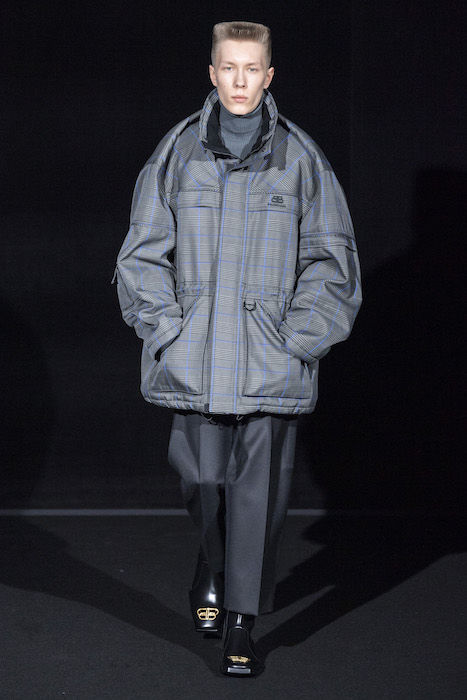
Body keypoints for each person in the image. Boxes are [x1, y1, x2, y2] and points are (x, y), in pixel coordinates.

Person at [115, 20, 362, 676]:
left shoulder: (300, 159)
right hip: (195, 357)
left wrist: (297, 340)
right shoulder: (177, 152)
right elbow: (141, 253)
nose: (240, 80)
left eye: (252, 68)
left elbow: (332, 260)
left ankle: (241, 623)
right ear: (212, 72)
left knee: (257, 494)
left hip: (267, 361)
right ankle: (213, 561)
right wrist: (166, 330)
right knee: (201, 480)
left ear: (269, 76)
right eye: (229, 67)